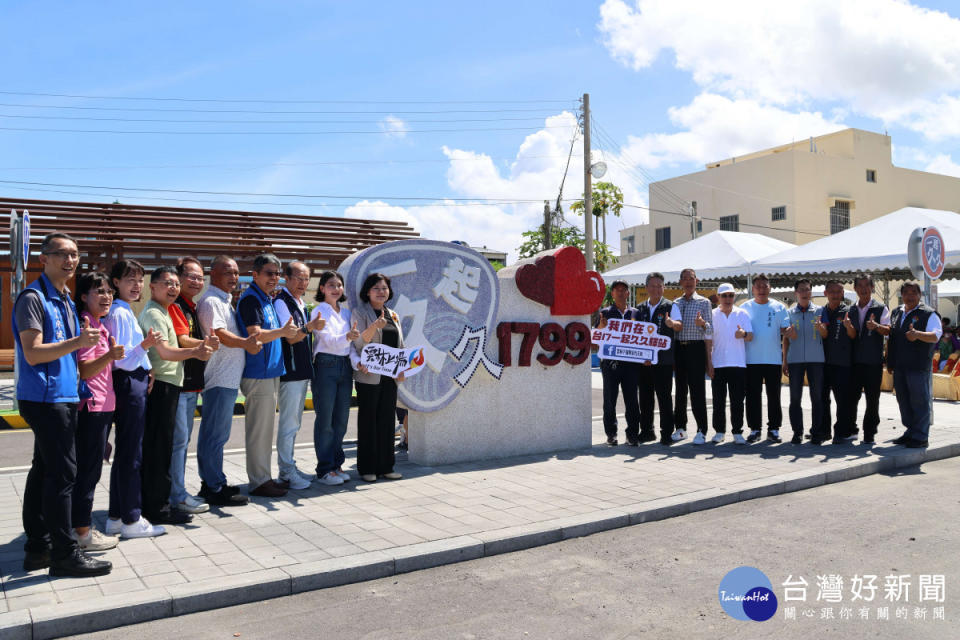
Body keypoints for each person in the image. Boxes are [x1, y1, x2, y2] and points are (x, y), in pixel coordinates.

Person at [13, 232, 112, 576]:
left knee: (44, 471)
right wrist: (78, 341)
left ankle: (38, 548)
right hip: (45, 397)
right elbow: (32, 352)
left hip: (65, 396)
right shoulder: (33, 298)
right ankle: (64, 554)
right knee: (62, 474)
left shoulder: (66, 299)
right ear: (45, 259)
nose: (70, 261)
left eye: (74, 254)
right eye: (62, 254)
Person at [138, 266, 213, 525]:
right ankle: (158, 508)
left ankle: (161, 503)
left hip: (170, 384)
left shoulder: (164, 311)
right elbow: (168, 352)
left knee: (164, 447)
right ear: (153, 286)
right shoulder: (155, 313)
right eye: (167, 283)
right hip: (161, 385)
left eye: (174, 284)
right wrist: (196, 352)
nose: (173, 288)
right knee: (160, 448)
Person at [103, 260, 165, 539]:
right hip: (129, 384)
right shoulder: (119, 313)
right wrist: (146, 347)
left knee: (127, 454)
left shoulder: (123, 311)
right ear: (115, 282)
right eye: (130, 279)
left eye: (140, 279)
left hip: (132, 382)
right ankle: (130, 518)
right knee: (131, 454)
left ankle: (117, 516)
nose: (136, 285)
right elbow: (123, 360)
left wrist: (146, 364)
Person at [196, 255, 258, 507]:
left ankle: (216, 480)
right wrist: (245, 343)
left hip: (228, 379)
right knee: (214, 435)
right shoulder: (211, 302)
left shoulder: (225, 300)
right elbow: (219, 334)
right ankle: (212, 486)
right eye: (227, 273)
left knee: (219, 435)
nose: (233, 277)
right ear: (213, 274)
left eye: (235, 273)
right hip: (219, 378)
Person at [237, 253, 299, 497]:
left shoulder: (266, 299)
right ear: (255, 275)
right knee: (259, 431)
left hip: (271, 372)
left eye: (277, 273)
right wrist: (283, 331)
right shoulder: (250, 300)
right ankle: (259, 481)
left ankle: (265, 477)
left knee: (266, 430)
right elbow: (256, 334)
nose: (274, 278)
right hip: (258, 374)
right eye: (268, 273)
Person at [72, 272, 125, 553]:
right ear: (83, 296)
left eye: (108, 292)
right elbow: (85, 370)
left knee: (90, 470)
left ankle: (79, 527)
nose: (106, 297)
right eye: (98, 291)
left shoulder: (100, 325)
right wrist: (109, 356)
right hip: (91, 407)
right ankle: (82, 532)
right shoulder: (85, 324)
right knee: (87, 472)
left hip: (104, 406)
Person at [168, 256, 217, 515]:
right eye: (191, 276)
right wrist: (203, 345)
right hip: (181, 384)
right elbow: (181, 339)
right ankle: (177, 495)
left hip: (190, 385)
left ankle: (176, 492)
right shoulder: (176, 305)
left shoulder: (191, 306)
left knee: (181, 442)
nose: (197, 281)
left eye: (200, 277)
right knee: (178, 443)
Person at [274, 261, 326, 490]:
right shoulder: (281, 302)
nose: (303, 283)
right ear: (286, 277)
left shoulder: (299, 302)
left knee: (294, 424)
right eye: (298, 278)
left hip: (302, 370)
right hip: (291, 372)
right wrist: (310, 327)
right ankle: (286, 471)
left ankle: (289, 467)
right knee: (288, 424)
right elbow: (291, 337)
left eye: (306, 279)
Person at [351, 273, 406, 482]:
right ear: (367, 291)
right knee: (368, 422)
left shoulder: (393, 314)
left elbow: (400, 344)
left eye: (384, 288)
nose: (381, 292)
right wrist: (375, 325)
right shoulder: (360, 312)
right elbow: (358, 344)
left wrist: (403, 366)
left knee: (386, 421)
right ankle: (367, 469)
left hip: (390, 377)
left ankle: (386, 466)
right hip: (369, 376)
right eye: (376, 288)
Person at [310, 270, 360, 485]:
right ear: (322, 289)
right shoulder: (319, 311)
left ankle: (336, 465)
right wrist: (347, 337)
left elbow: (351, 347)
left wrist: (357, 362)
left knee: (341, 420)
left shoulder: (347, 313)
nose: (336, 289)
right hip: (326, 365)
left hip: (344, 366)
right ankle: (324, 470)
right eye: (331, 285)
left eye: (338, 285)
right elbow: (327, 340)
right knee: (325, 420)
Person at [888, 282, 941, 448]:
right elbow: (893, 338)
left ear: (920, 295)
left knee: (920, 401)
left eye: (913, 292)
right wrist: (890, 361)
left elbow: (935, 336)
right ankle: (911, 431)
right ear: (901, 295)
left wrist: (917, 334)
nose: (910, 296)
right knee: (903, 401)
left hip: (918, 366)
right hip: (900, 366)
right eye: (906, 293)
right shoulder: (897, 312)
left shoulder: (928, 313)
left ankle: (921, 436)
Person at [739, 274, 789, 444]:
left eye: (764, 286)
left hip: (773, 359)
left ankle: (774, 429)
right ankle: (754, 429)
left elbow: (786, 332)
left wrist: (785, 359)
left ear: (770, 288)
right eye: (758, 286)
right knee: (753, 396)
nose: (761, 289)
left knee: (774, 396)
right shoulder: (744, 308)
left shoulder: (779, 307)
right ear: (752, 289)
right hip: (751, 360)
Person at [633, 273, 680, 445]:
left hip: (663, 362)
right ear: (646, 288)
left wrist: (671, 324)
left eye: (660, 286)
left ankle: (667, 433)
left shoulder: (670, 306)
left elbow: (679, 325)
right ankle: (647, 431)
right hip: (644, 362)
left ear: (664, 288)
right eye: (653, 286)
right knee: (645, 398)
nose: (656, 289)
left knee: (664, 398)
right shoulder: (639, 309)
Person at [595, 280, 641, 446]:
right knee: (609, 400)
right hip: (610, 364)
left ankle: (632, 434)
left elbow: (644, 339)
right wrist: (600, 326)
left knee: (632, 400)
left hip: (631, 364)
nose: (621, 293)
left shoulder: (636, 313)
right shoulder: (605, 312)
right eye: (617, 290)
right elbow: (596, 337)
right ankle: (611, 434)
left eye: (624, 290)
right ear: (612, 293)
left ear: (628, 293)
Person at [847, 273, 891, 444]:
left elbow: (888, 330)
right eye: (860, 286)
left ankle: (870, 432)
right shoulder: (850, 309)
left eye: (867, 285)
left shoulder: (881, 308)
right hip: (855, 362)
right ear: (855, 288)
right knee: (852, 397)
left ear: (872, 287)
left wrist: (877, 326)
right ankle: (851, 430)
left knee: (872, 399)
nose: (864, 289)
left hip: (873, 362)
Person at [706, 283, 752, 444]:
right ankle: (719, 431)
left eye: (731, 295)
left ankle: (737, 432)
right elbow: (708, 341)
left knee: (737, 400)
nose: (727, 298)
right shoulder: (711, 315)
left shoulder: (742, 313)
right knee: (718, 400)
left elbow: (751, 336)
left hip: (738, 363)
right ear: (718, 297)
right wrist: (709, 363)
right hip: (718, 363)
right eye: (724, 295)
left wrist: (743, 333)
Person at [671, 268, 713, 442]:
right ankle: (680, 428)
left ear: (697, 281)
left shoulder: (704, 302)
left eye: (691, 278)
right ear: (680, 282)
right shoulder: (676, 302)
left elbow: (710, 330)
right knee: (680, 391)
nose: (688, 282)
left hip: (696, 349)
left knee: (697, 391)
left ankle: (702, 430)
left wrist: (703, 324)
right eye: (685, 279)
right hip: (679, 349)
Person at [783, 279, 826, 445]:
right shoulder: (789, 313)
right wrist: (784, 360)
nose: (805, 293)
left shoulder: (820, 311)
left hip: (816, 360)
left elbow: (825, 335)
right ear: (796, 293)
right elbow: (786, 339)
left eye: (807, 290)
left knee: (816, 397)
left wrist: (821, 327)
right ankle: (797, 432)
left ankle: (816, 433)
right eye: (801, 290)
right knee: (795, 398)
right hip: (795, 360)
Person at [821, 280, 856, 443]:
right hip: (823, 362)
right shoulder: (821, 312)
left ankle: (841, 432)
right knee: (822, 398)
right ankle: (823, 431)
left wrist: (848, 326)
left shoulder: (849, 311)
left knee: (842, 400)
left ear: (843, 293)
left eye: (839, 292)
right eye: (832, 291)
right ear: (825, 293)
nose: (835, 295)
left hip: (843, 363)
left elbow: (854, 335)